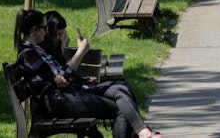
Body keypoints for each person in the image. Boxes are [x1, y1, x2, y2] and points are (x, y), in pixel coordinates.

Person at [14, 9, 163, 138]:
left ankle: (142, 131)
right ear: (34, 30)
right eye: (44, 28)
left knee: (120, 88)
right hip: (57, 100)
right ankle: (143, 132)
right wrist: (80, 52)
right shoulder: (28, 54)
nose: (46, 32)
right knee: (120, 109)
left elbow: (61, 77)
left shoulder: (37, 50)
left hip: (65, 94)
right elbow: (61, 77)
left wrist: (70, 78)